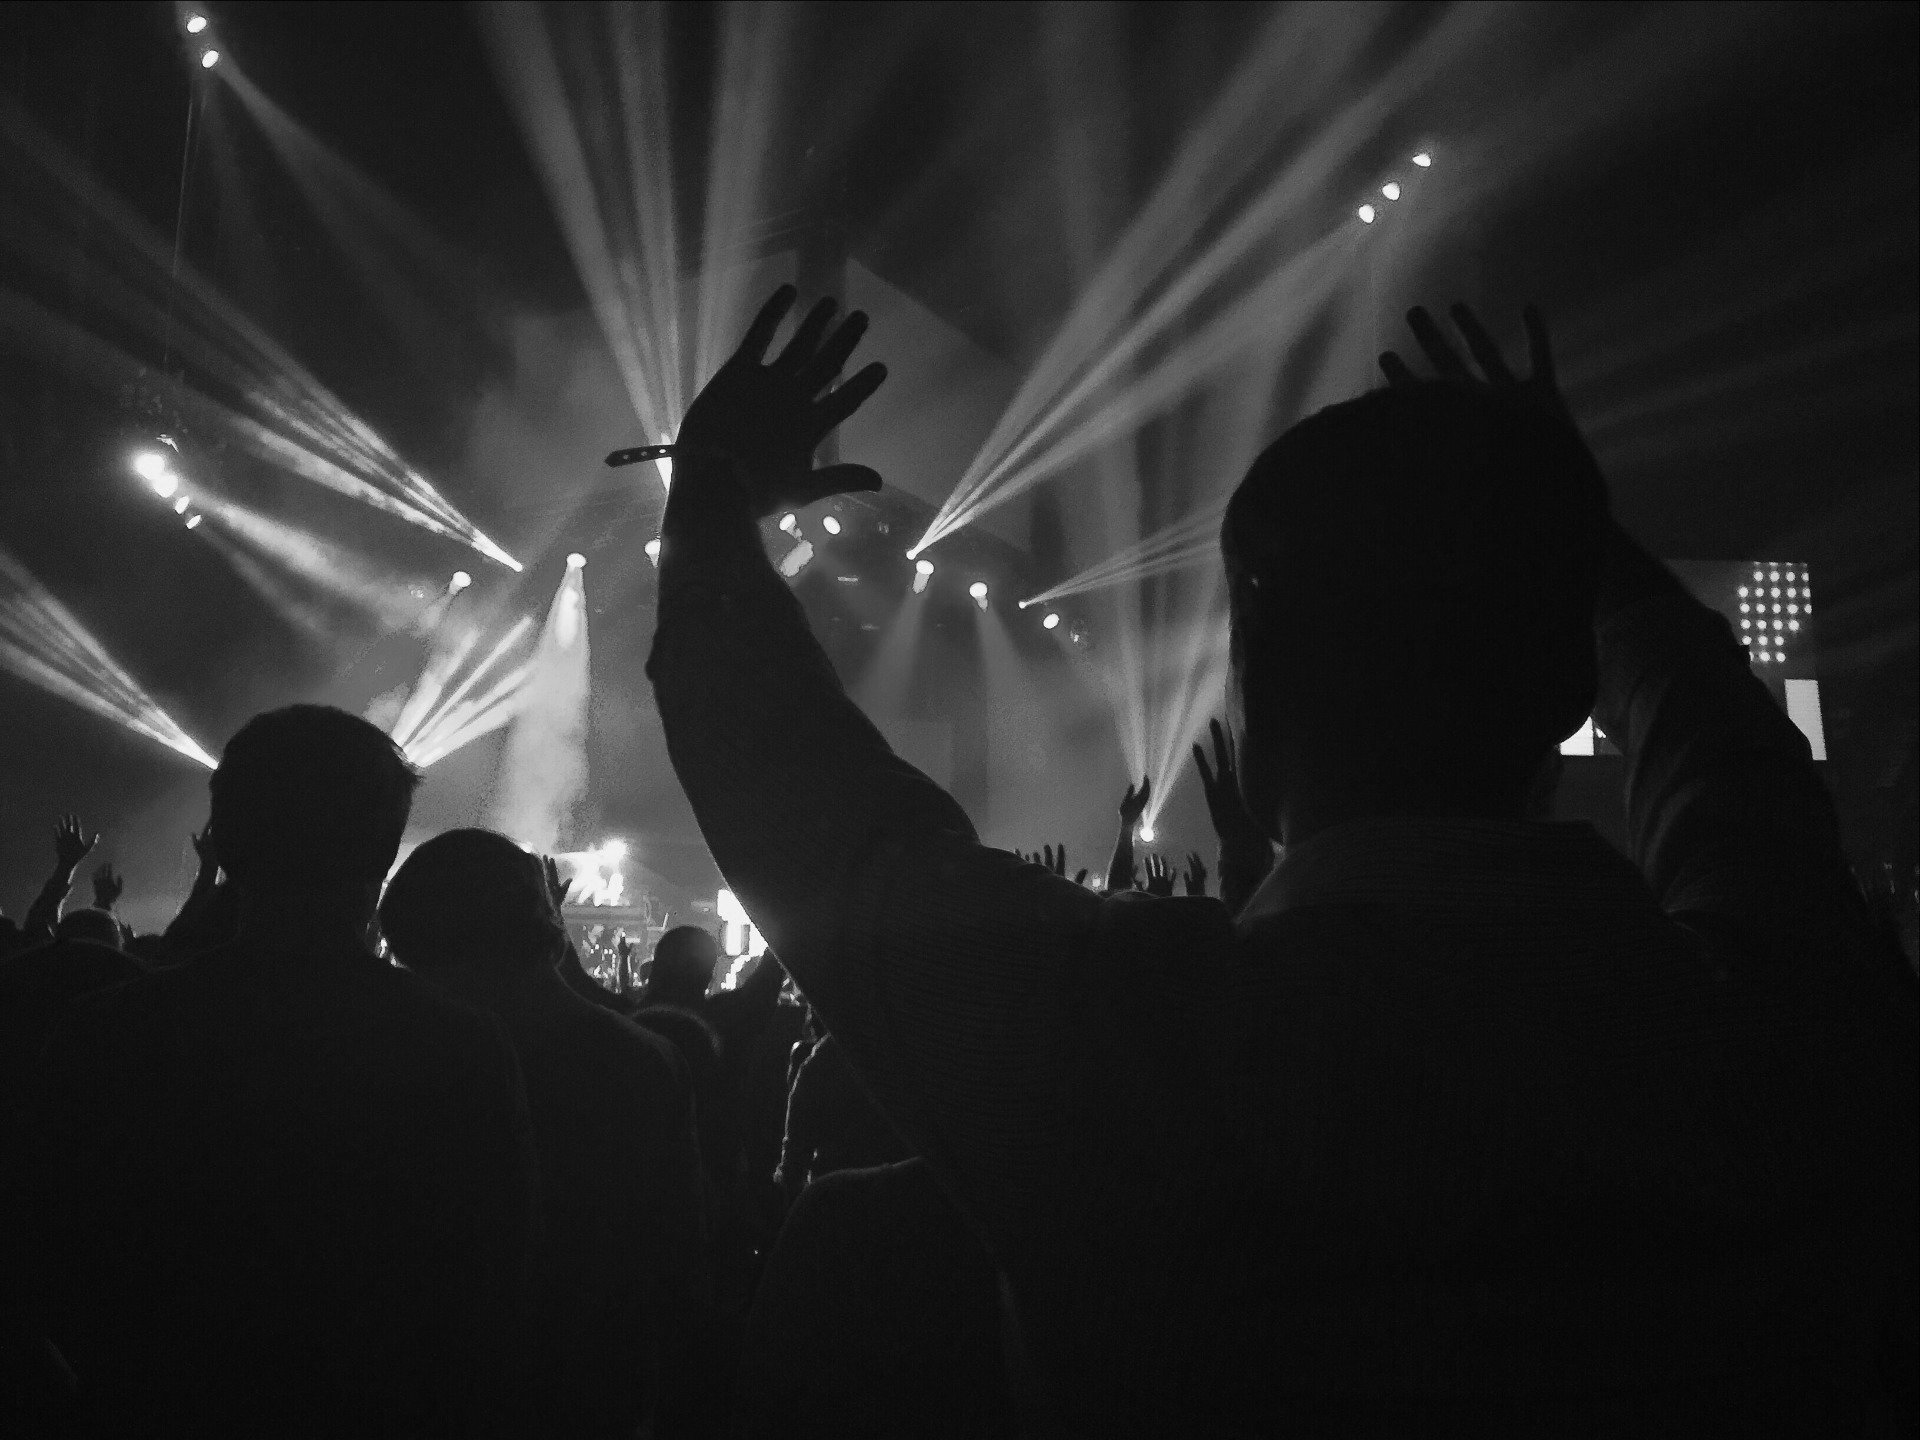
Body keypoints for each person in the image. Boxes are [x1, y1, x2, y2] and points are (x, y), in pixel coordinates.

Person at [646, 287, 1917, 1433]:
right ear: (1568, 679)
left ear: (1255, 697)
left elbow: (813, 819)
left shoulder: (1141, 1043)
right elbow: (1733, 764)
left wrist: (710, 495)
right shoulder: (1775, 1024)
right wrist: (1568, 534)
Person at [24, 705, 541, 1438]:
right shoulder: (457, 1044)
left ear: (228, 843)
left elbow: (42, 1261)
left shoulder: (109, 1032)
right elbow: (493, 1285)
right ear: (385, 853)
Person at [379, 828, 713, 1439]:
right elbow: (677, 1257)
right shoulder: (646, 1059)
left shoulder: (413, 1065)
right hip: (602, 1393)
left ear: (433, 950)